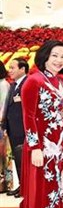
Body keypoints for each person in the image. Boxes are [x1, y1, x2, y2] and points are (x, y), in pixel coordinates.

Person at [18, 40, 63, 208]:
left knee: (57, 195)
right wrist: (35, 148)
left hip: (58, 149)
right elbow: (28, 116)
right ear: (44, 57)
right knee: (42, 197)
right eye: (55, 56)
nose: (59, 60)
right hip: (42, 150)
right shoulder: (34, 81)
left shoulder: (60, 81)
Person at [1, 57, 28, 198]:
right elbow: (8, 107)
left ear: (22, 69)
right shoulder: (13, 85)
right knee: (18, 160)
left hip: (23, 129)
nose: (9, 70)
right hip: (13, 129)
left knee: (24, 160)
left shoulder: (28, 84)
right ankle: (22, 185)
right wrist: (5, 125)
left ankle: (26, 187)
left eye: (12, 68)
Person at [0, 62, 11, 194]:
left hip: (1, 126)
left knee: (4, 157)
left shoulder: (3, 84)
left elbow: (3, 108)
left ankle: (5, 184)